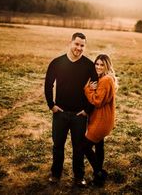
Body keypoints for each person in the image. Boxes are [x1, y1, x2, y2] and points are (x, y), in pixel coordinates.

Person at [44, 32, 97, 188]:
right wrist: (51, 105)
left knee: (78, 148)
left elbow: (96, 89)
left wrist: (88, 109)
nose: (79, 48)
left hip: (79, 115)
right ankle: (55, 174)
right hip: (60, 113)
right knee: (58, 145)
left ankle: (79, 176)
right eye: (77, 44)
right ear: (70, 43)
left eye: (82, 45)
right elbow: (48, 84)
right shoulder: (57, 63)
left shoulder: (89, 65)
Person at [83, 54, 117, 187]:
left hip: (101, 121)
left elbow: (97, 101)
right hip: (104, 119)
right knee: (99, 146)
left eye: (102, 64)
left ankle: (99, 173)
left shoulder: (105, 80)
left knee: (84, 146)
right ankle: (99, 178)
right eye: (96, 64)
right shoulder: (106, 78)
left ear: (107, 65)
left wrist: (88, 89)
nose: (98, 67)